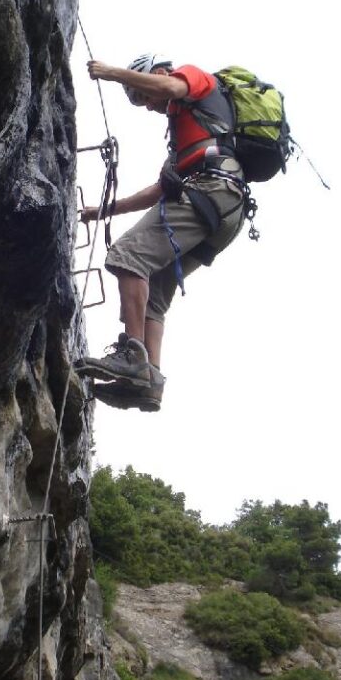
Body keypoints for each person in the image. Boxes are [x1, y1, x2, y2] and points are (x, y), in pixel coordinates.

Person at [75, 53, 249, 411]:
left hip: (211, 192)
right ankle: (149, 381)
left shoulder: (194, 79)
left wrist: (111, 73)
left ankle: (133, 355)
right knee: (154, 294)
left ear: (155, 73)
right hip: (223, 211)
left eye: (141, 95)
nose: (146, 105)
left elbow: (170, 87)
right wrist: (101, 212)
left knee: (128, 257)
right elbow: (156, 192)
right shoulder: (188, 138)